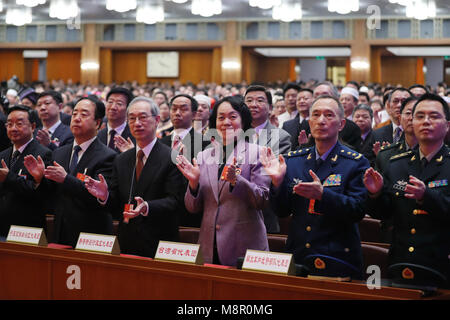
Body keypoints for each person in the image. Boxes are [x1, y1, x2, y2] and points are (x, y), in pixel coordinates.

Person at [261, 95, 370, 279]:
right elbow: (281, 211)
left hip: (337, 257)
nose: (321, 121)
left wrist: (323, 195)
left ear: (341, 124)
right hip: (300, 254)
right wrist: (277, 183)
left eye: (329, 115)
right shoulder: (294, 160)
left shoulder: (355, 162)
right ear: (309, 122)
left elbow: (357, 211)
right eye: (316, 115)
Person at [363, 93, 450, 288]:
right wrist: (375, 194)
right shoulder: (397, 163)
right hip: (401, 262)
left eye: (434, 116)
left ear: (447, 125)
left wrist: (427, 197)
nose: (425, 121)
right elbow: (385, 214)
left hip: (441, 264)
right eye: (419, 116)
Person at [176, 96, 271, 267]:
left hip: (244, 247)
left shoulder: (258, 153)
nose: (226, 122)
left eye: (233, 117)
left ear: (243, 121)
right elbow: (192, 208)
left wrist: (238, 181)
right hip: (208, 247)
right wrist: (193, 184)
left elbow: (262, 200)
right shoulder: (203, 156)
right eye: (220, 117)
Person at [84, 97, 184, 258]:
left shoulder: (171, 157)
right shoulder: (121, 159)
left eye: (143, 117)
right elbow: (116, 203)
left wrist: (147, 206)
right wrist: (104, 195)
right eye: (132, 118)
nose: (137, 123)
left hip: (159, 242)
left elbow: (175, 200)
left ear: (157, 120)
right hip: (127, 242)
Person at [24, 96, 117, 247]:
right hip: (62, 231)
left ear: (98, 123)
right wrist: (40, 178)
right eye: (74, 114)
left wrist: (66, 178)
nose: (77, 118)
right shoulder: (59, 153)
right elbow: (52, 193)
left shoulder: (108, 156)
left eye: (84, 114)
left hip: (92, 234)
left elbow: (100, 197)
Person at [244, 85, 291, 234]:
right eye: (249, 101)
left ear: (270, 107)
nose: (253, 105)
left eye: (259, 100)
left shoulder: (281, 136)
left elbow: (269, 174)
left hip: (263, 210)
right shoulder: (234, 134)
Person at [0, 105, 52, 237]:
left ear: (33, 127)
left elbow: (40, 193)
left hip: (26, 230)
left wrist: (8, 177)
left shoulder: (43, 154)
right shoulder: (3, 155)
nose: (13, 128)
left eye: (19, 124)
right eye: (9, 124)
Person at [313, 82, 362, 152]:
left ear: (335, 98)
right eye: (316, 95)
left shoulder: (351, 128)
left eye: (324, 95)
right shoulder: (308, 124)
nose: (320, 98)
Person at [97, 87, 135, 153]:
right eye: (110, 102)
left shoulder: (135, 135)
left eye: (119, 103)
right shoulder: (98, 135)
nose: (113, 107)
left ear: (128, 109)